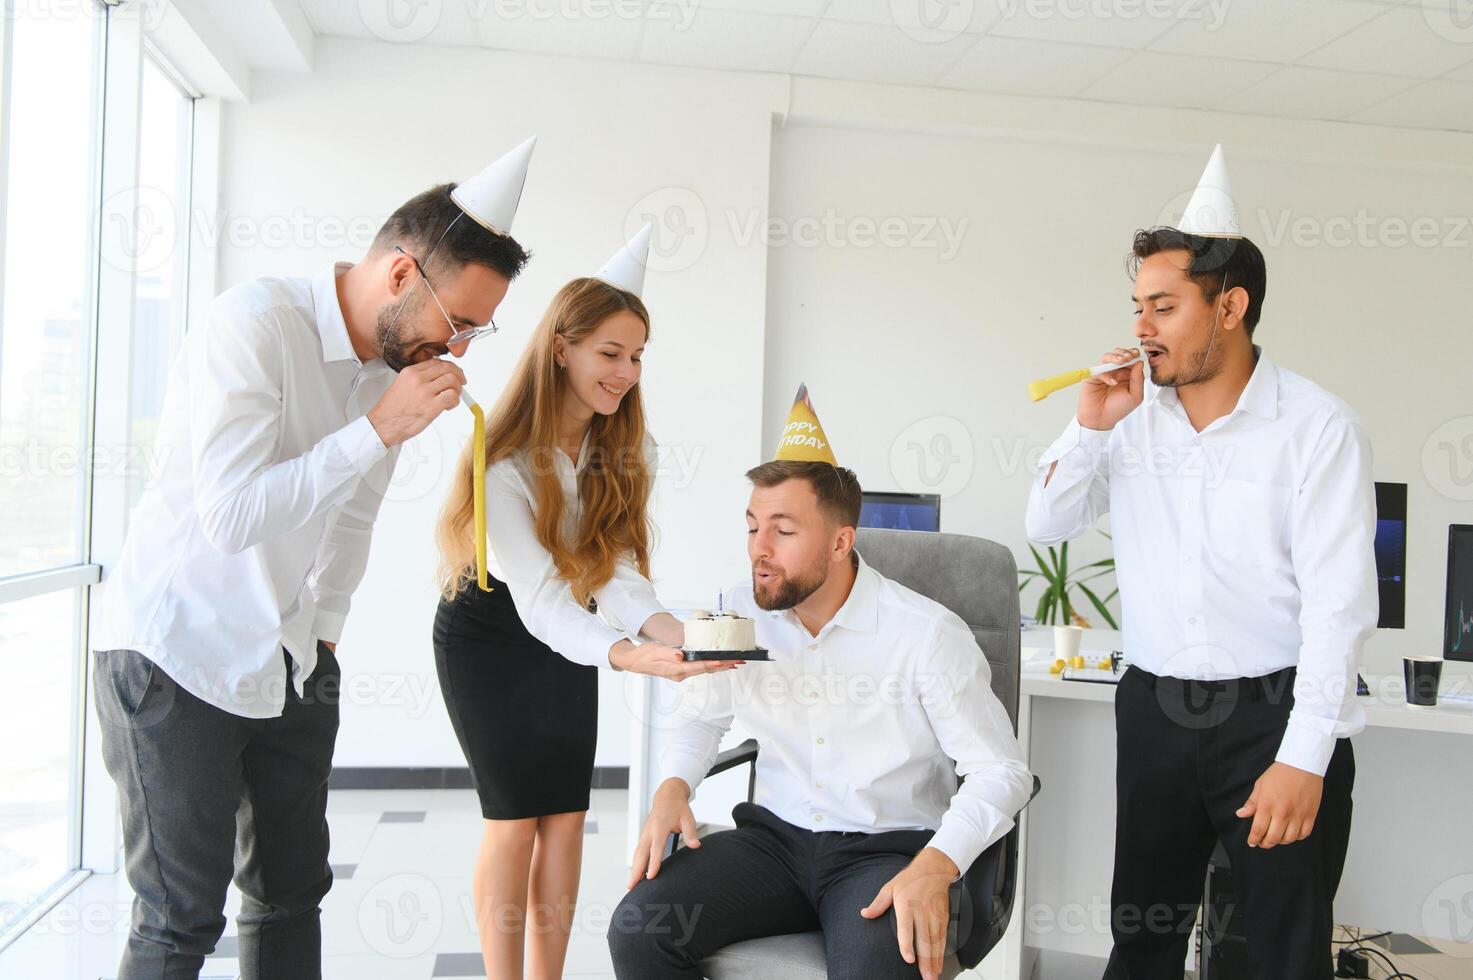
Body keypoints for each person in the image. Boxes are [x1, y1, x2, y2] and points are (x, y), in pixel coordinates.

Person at [89, 137, 538, 980]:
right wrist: (375, 429)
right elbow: (230, 517)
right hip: (174, 654)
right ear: (403, 276)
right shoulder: (255, 326)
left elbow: (351, 518)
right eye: (462, 322)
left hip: (291, 661)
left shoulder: (393, 366)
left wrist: (323, 637)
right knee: (180, 917)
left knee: (292, 891)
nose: (465, 347)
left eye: (481, 328)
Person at [1025, 145, 1375, 979]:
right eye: (1137, 305)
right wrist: (1089, 426)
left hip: (1272, 709)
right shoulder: (1129, 415)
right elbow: (1045, 524)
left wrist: (1302, 757)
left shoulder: (1316, 428)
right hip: (1153, 707)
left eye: (1163, 306)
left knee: (1279, 953)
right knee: (1141, 939)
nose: (1140, 327)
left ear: (1230, 307)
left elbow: (1337, 606)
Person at [609, 385, 1033, 980]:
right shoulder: (738, 614)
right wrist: (673, 787)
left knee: (877, 968)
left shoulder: (926, 635)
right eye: (753, 526)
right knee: (639, 931)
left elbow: (1001, 772)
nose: (759, 549)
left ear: (840, 541)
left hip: (882, 849)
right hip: (773, 844)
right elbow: (703, 714)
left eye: (783, 530)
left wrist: (938, 862)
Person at [432, 226, 732, 980]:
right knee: (512, 820)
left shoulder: (625, 451)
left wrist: (676, 634)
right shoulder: (499, 460)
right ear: (560, 347)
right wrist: (628, 654)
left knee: (565, 818)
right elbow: (534, 601)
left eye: (636, 357)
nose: (627, 373)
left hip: (573, 626)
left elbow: (617, 575)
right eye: (610, 353)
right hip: (491, 633)